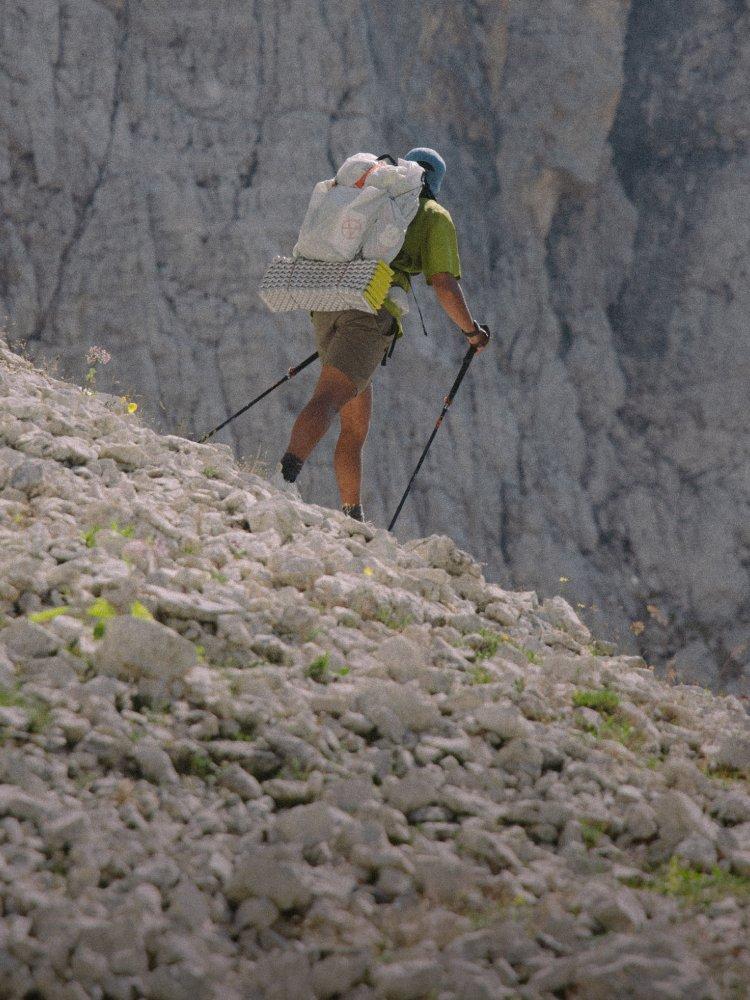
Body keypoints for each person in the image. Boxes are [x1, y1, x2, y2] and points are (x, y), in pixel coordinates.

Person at [275, 147, 489, 522]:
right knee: (328, 398)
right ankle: (282, 478)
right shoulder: (434, 216)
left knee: (355, 424)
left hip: (329, 301)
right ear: (436, 184)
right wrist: (472, 332)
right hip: (369, 315)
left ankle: (351, 516)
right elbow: (442, 283)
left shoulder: (373, 196)